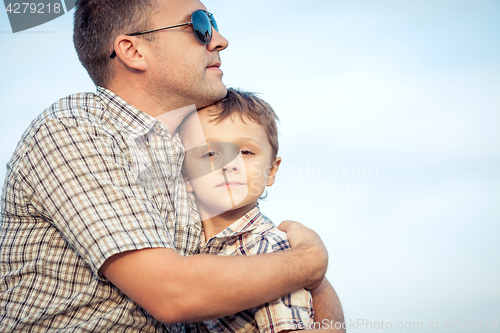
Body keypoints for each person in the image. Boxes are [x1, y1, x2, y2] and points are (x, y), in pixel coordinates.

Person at [0, 0, 344, 332]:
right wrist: (310, 260)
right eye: (200, 26)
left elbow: (256, 263)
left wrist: (320, 290)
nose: (220, 40)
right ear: (133, 51)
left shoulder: (189, 158)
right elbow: (173, 294)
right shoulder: (77, 128)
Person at [178, 88, 319, 333]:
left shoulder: (271, 249)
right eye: (210, 153)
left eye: (246, 152)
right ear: (186, 176)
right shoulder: (177, 241)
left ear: (271, 171)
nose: (230, 164)